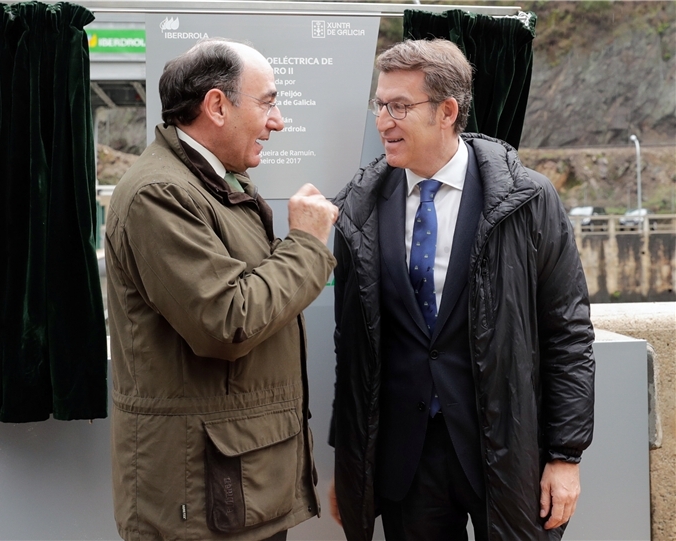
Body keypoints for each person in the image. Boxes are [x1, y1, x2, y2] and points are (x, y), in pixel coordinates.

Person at [328, 39, 595, 541]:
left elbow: (569, 335)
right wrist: (350, 463)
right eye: (379, 104)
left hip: (507, 449)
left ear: (447, 111)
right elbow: (352, 349)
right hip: (406, 461)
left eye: (399, 106)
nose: (383, 120)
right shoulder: (358, 209)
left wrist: (565, 456)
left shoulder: (528, 200)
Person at [105, 39, 338, 541]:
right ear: (216, 105)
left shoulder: (213, 183)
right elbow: (228, 322)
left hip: (235, 483)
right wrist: (308, 244)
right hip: (207, 494)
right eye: (269, 102)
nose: (278, 122)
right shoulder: (159, 194)